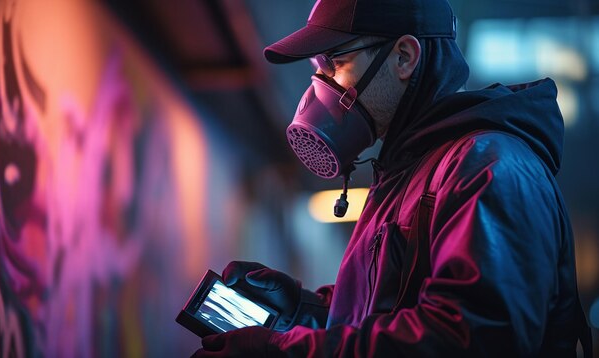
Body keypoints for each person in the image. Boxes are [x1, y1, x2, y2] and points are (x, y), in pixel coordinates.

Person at [192, 0, 592, 356]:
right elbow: (385, 318)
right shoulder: (407, 174)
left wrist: (287, 352)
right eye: (317, 69)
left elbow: (469, 338)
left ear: (403, 57)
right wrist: (302, 311)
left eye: (335, 62)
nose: (320, 87)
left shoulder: (489, 167)